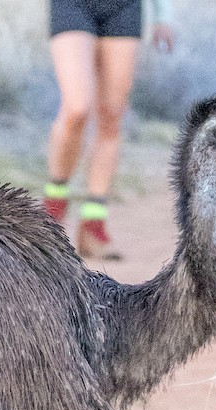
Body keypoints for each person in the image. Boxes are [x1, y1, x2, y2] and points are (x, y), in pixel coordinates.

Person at [44, 0, 176, 259]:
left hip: (123, 8)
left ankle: (93, 226)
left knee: (111, 116)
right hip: (72, 6)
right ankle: (52, 212)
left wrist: (163, 15)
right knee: (77, 108)